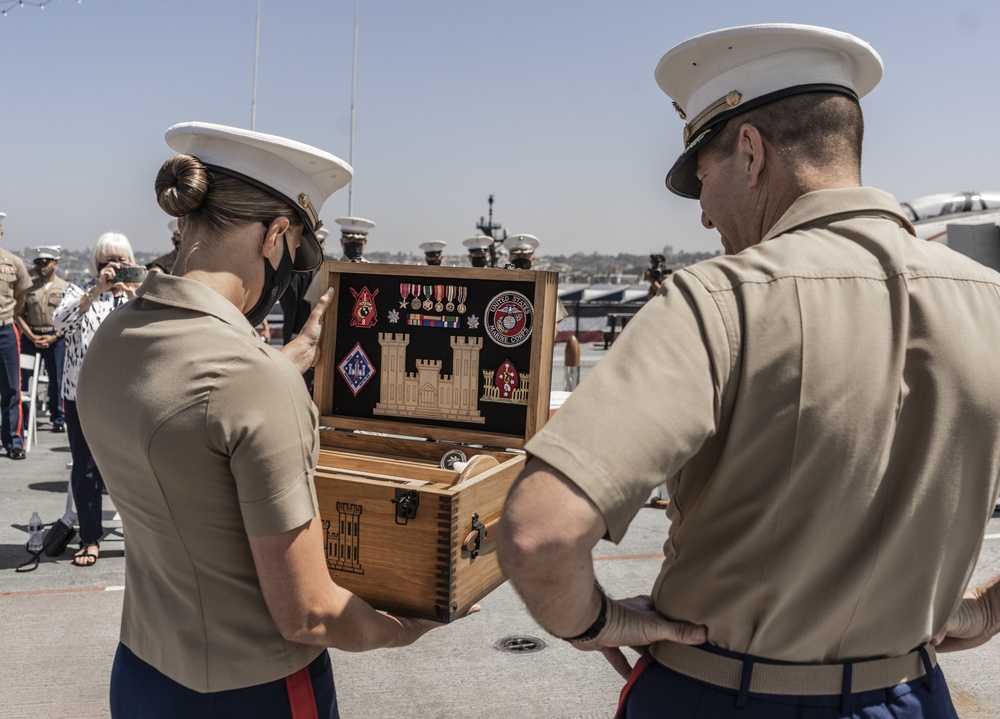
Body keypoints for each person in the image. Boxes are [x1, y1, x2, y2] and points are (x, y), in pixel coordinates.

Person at [496, 23, 1000, 719]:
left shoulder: (718, 300)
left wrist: (594, 622)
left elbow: (539, 532)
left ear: (751, 151)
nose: (704, 217)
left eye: (702, 180)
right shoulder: (991, 303)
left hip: (719, 695)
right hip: (913, 695)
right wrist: (987, 610)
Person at [76, 122, 474, 718]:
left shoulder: (113, 338)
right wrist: (404, 628)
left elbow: (192, 414)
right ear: (276, 235)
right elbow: (309, 612)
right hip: (254, 693)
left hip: (142, 675)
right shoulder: (255, 380)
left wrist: (290, 361)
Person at [53, 232, 141, 566]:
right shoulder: (80, 292)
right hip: (83, 395)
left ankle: (139, 536)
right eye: (108, 262)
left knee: (132, 467)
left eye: (122, 262)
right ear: (97, 264)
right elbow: (58, 321)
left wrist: (136, 295)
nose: (115, 268)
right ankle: (90, 538)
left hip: (127, 396)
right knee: (86, 468)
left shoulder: (137, 297)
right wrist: (96, 291)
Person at [17, 245, 69, 433]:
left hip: (55, 337)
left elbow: (70, 318)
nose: (41, 266)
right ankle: (24, 418)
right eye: (38, 262)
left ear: (55, 263)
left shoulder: (65, 288)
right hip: (31, 337)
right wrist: (31, 336)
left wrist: (53, 337)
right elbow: (19, 314)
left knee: (57, 379)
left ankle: (58, 417)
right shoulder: (28, 288)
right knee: (24, 379)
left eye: (45, 262)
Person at [0, 212, 32, 460]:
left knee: (12, 387)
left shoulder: (13, 262)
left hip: (6, 328)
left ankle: (13, 442)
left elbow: (20, 296)